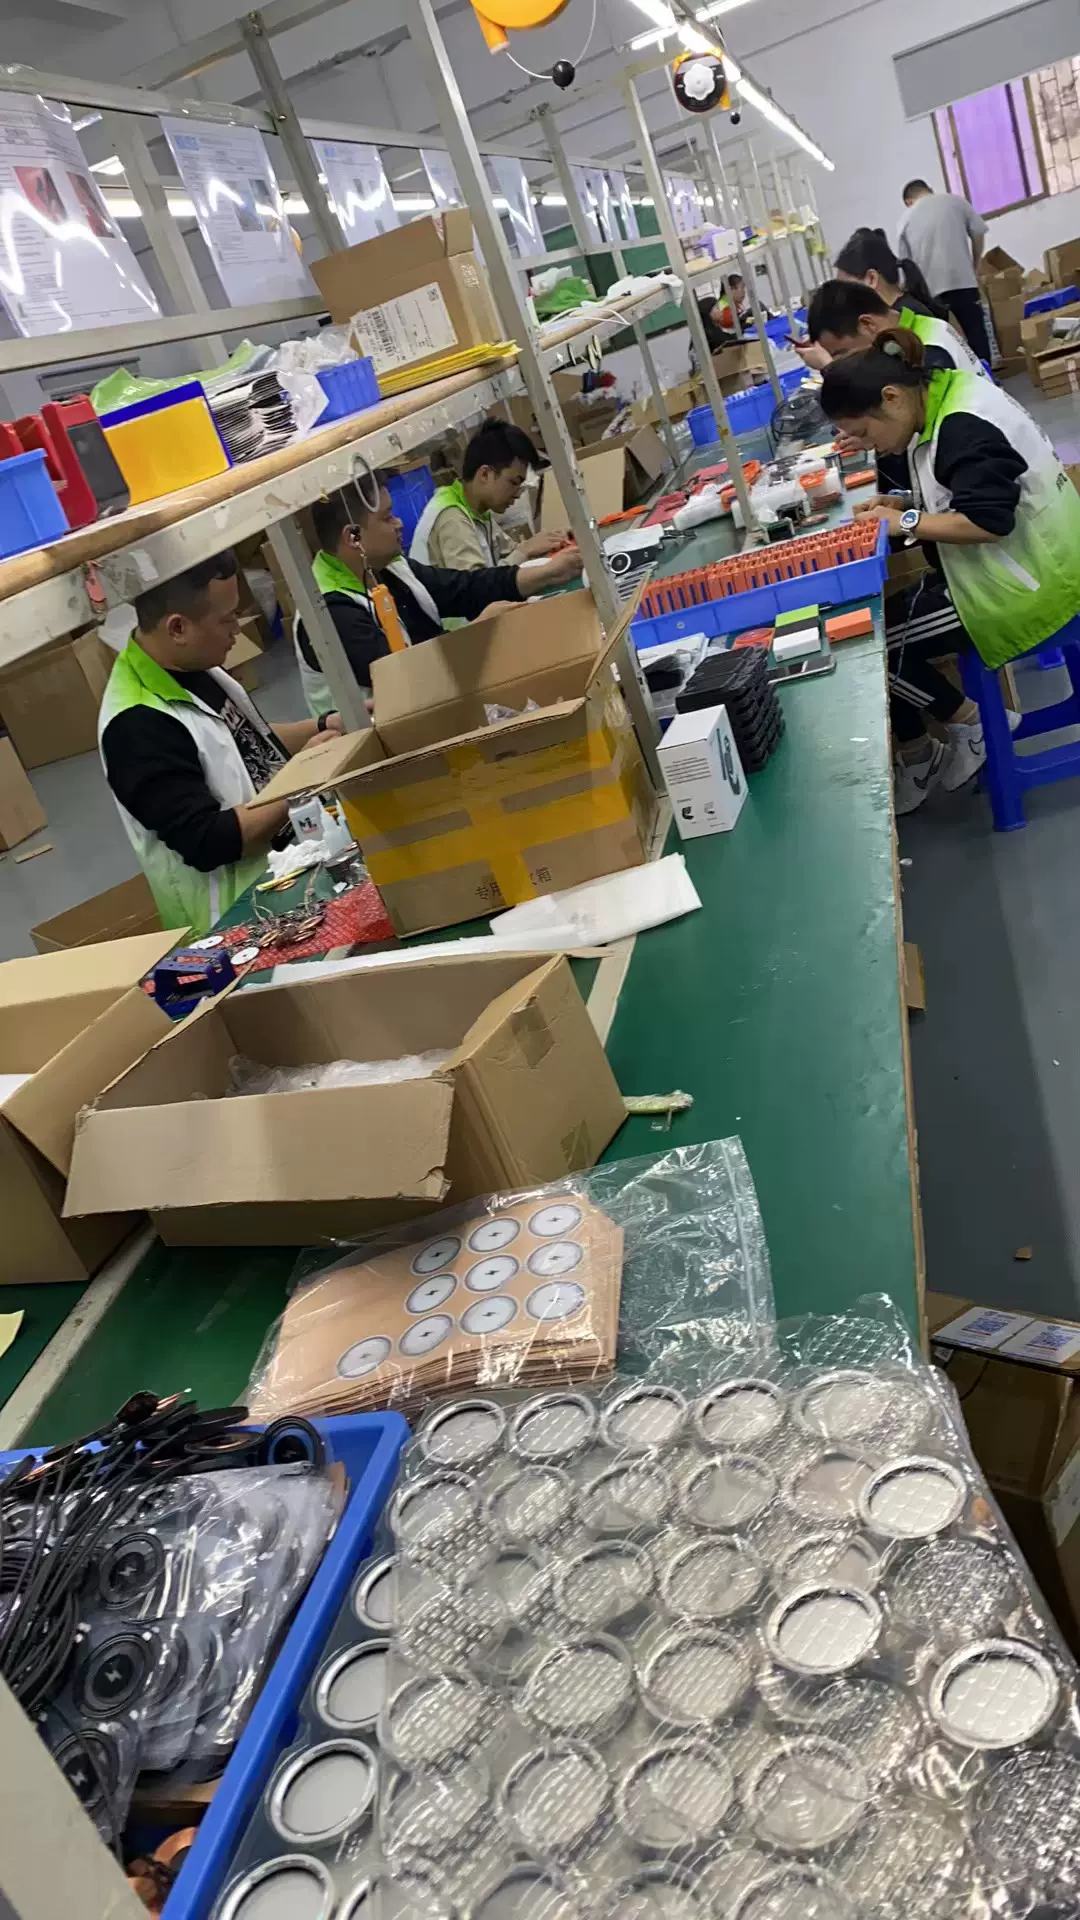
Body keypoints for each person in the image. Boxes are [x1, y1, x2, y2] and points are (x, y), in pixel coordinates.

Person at [820, 329, 1080, 811]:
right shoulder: (943, 400)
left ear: (892, 398)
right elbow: (960, 489)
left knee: (874, 647)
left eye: (865, 433)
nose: (867, 444)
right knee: (880, 623)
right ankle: (923, 751)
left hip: (1030, 585)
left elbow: (988, 521)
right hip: (1021, 567)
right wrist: (901, 504)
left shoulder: (961, 423)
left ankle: (970, 723)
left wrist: (906, 522)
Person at [100, 553, 340, 934]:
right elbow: (210, 840)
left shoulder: (190, 666)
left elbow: (245, 741)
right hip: (242, 923)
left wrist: (324, 724)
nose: (237, 631)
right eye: (226, 620)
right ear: (178, 628)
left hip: (288, 873)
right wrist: (304, 775)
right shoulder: (136, 725)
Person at [295, 477, 584, 714]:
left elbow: (464, 588)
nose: (399, 523)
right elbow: (405, 679)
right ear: (353, 537)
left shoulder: (388, 567)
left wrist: (549, 572)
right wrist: (478, 632)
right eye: (387, 518)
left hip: (434, 707)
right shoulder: (327, 611)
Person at [409, 418, 565, 570]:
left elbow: (510, 551)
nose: (517, 494)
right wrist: (525, 551)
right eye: (513, 482)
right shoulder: (452, 519)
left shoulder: (475, 509)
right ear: (485, 474)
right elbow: (477, 585)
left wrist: (548, 542)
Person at [804, 279, 985, 375]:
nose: (845, 363)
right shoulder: (917, 328)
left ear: (868, 324)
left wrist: (829, 369)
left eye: (842, 353)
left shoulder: (924, 350)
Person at [899, 180, 991, 364]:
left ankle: (959, 377)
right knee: (976, 334)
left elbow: (906, 264)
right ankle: (988, 375)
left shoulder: (905, 219)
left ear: (908, 201)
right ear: (930, 190)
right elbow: (978, 232)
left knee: (944, 342)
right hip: (963, 281)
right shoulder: (955, 201)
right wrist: (975, 265)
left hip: (931, 292)